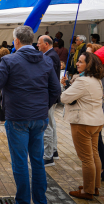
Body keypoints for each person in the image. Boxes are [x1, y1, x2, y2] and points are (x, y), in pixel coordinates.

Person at [0, 25, 61, 204]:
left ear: (17, 41)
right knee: (37, 160)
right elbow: (56, 90)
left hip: (18, 118)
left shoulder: (10, 60)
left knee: (20, 161)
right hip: (38, 117)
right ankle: (39, 199)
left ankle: (23, 200)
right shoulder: (45, 61)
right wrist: (43, 107)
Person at [61, 52, 104, 200]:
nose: (77, 64)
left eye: (81, 62)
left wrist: (66, 87)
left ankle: (87, 191)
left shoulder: (83, 81)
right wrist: (69, 85)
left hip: (83, 123)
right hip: (96, 121)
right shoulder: (96, 79)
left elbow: (64, 97)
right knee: (94, 155)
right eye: (78, 61)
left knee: (86, 158)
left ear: (89, 64)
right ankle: (94, 186)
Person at [37, 35, 61, 167]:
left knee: (48, 126)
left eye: (39, 43)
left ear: (46, 44)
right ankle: (54, 151)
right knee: (52, 124)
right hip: (51, 95)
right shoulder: (52, 54)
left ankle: (48, 156)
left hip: (49, 96)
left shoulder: (50, 56)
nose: (37, 45)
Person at [86, 43, 104, 181]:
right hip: (93, 111)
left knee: (97, 141)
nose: (85, 56)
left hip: (97, 110)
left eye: (88, 54)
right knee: (95, 141)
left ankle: (101, 169)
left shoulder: (100, 73)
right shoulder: (94, 71)